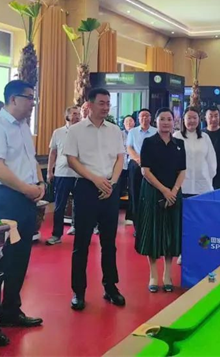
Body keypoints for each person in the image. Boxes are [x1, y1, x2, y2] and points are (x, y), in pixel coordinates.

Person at [0, 80, 44, 346]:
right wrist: (27, 188)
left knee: (20, 259)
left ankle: (11, 311)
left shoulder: (23, 127)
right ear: (13, 99)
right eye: (29, 98)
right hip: (4, 199)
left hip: (25, 198)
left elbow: (30, 160)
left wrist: (40, 183)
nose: (33, 103)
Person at [64, 88, 126, 311]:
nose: (106, 107)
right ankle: (78, 291)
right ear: (89, 105)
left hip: (109, 188)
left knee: (109, 242)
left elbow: (120, 158)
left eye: (108, 103)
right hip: (86, 188)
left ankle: (111, 287)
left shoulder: (114, 130)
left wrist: (112, 183)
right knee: (81, 243)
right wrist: (95, 179)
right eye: (101, 103)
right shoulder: (76, 130)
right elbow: (71, 160)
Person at [136, 108, 186, 293]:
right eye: (162, 119)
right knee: (153, 232)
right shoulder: (149, 143)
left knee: (171, 232)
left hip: (174, 192)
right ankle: (153, 275)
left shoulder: (179, 144)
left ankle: (167, 274)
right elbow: (145, 171)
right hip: (153, 192)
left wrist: (174, 191)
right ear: (156, 122)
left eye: (169, 119)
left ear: (174, 122)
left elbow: (182, 170)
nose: (166, 122)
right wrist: (164, 190)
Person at [45, 105, 80, 245]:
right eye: (74, 114)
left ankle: (78, 230)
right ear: (67, 116)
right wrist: (49, 171)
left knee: (80, 205)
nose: (77, 116)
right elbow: (53, 153)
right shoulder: (58, 132)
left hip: (79, 174)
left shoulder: (83, 132)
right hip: (62, 173)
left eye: (78, 114)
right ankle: (56, 235)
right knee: (60, 205)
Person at [174, 107, 217, 198]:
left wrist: (208, 177)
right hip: (183, 186)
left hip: (203, 186)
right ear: (183, 119)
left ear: (199, 119)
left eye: (195, 118)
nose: (192, 121)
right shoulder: (176, 136)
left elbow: (212, 162)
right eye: (189, 118)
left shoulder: (205, 137)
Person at [125, 109, 156, 230]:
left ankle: (150, 223)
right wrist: (138, 160)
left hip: (152, 164)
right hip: (136, 164)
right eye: (142, 116)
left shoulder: (156, 131)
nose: (144, 118)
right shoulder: (133, 132)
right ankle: (137, 226)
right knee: (135, 193)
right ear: (138, 119)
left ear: (151, 118)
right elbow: (129, 148)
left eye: (147, 116)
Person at [121, 115, 136, 224]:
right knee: (119, 190)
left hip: (132, 164)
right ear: (123, 124)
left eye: (131, 121)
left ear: (134, 122)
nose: (129, 123)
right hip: (121, 165)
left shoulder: (136, 133)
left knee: (132, 190)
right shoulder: (120, 134)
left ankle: (130, 216)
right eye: (126, 122)